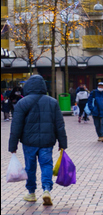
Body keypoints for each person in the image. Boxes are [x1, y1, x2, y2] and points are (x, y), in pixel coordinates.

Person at [8, 74, 67, 207]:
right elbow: (59, 125)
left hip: (29, 142)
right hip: (47, 141)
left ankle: (31, 192)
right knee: (46, 164)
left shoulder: (22, 103)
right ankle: (46, 189)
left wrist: (13, 145)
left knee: (30, 167)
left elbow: (16, 126)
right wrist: (62, 143)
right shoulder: (52, 102)